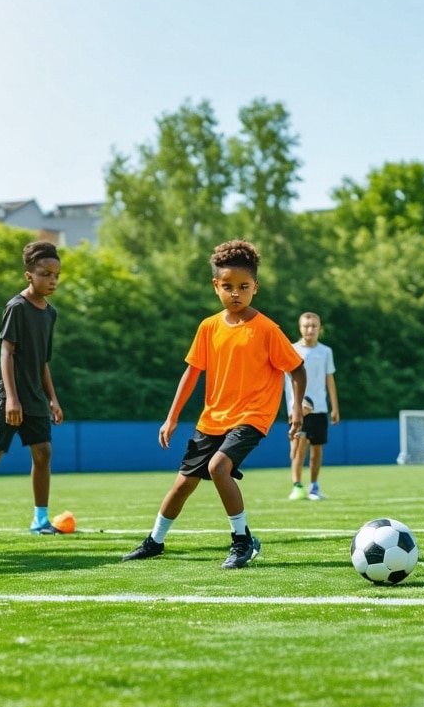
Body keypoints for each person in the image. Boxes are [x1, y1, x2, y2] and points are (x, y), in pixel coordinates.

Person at [122, 239, 306, 569]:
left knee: (218, 467)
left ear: (255, 288)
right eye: (227, 286)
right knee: (182, 485)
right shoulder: (208, 327)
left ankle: (242, 541)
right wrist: (171, 417)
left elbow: (297, 369)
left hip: (253, 415)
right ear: (215, 287)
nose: (235, 293)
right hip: (212, 419)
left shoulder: (267, 329)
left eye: (243, 287)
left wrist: (294, 409)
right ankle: (155, 541)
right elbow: (191, 373)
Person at [0, 241, 67, 536]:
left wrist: (52, 399)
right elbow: (7, 353)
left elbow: (43, 361)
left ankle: (40, 521)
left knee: (43, 452)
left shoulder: (50, 313)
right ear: (29, 275)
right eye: (45, 273)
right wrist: (12, 400)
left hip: (34, 397)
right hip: (9, 396)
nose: (52, 279)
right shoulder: (16, 307)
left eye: (56, 274)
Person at [284, 312, 340, 501]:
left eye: (314, 326)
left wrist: (334, 407)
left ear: (320, 328)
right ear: (300, 328)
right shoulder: (292, 350)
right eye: (306, 326)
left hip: (320, 409)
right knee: (298, 449)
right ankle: (297, 486)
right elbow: (288, 381)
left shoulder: (325, 351)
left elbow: (329, 379)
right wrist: (295, 407)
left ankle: (314, 487)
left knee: (316, 449)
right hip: (299, 410)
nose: (310, 329)